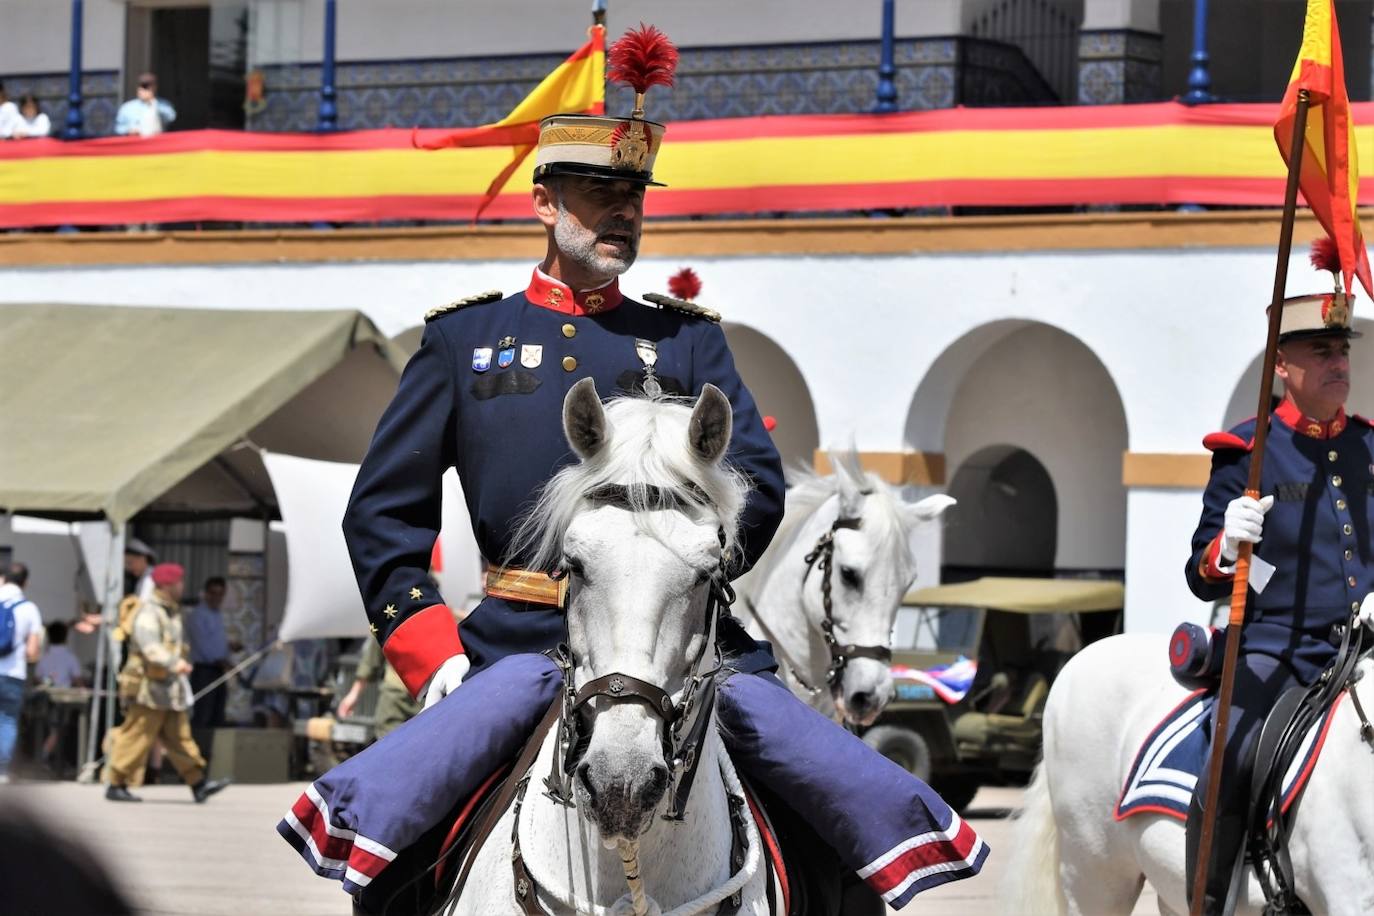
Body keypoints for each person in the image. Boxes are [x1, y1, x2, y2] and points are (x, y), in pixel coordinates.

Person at [324, 25, 984, 913]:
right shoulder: (462, 342)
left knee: (833, 816)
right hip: (518, 643)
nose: (622, 212)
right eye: (599, 192)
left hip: (687, 642)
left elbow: (755, 482)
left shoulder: (687, 339)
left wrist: (683, 563)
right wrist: (431, 654)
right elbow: (382, 518)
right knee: (398, 846)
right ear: (545, 202)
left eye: (633, 194)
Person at [1184, 248, 1370, 912]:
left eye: (1340, 349)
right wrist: (1227, 547)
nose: (1338, 363)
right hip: (1282, 652)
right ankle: (1212, 897)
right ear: (1282, 366)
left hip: (1366, 651)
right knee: (1229, 757)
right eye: (1320, 351)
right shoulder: (1249, 452)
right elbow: (1200, 575)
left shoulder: (1371, 447)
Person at [102, 563, 229, 803]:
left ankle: (198, 783)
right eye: (178, 582)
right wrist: (174, 662)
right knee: (137, 735)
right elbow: (150, 647)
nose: (182, 587)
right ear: (166, 585)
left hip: (168, 690)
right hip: (148, 689)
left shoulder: (171, 611)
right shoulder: (150, 611)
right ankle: (115, 782)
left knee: (180, 737)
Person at [0, 563, 43, 783]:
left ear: (2, 579)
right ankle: (2, 771)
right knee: (7, 721)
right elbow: (32, 652)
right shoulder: (29, 608)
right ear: (25, 582)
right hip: (13, 673)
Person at [337, 636, 419, 740]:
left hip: (425, 696)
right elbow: (373, 654)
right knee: (390, 743)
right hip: (396, 696)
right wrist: (354, 694)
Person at [185, 576, 235, 729]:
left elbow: (216, 642)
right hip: (204, 671)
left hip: (218, 670)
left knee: (217, 714)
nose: (216, 598)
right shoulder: (198, 615)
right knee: (203, 714)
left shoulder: (218, 615)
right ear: (206, 593)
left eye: (220, 594)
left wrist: (229, 648)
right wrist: (222, 661)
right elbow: (203, 645)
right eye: (213, 593)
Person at [113, 72, 175, 137]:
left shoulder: (163, 104)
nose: (143, 90)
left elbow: (170, 118)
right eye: (141, 86)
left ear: (154, 88)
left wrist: (153, 101)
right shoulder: (127, 107)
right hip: (135, 143)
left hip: (156, 143)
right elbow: (118, 128)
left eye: (146, 87)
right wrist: (129, 130)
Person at [35, 621, 83, 688]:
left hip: (46, 694)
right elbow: (78, 680)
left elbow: (37, 679)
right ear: (66, 637)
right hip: (65, 695)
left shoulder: (43, 658)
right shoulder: (71, 658)